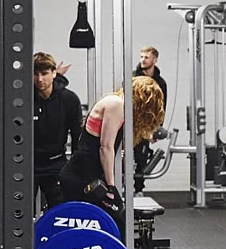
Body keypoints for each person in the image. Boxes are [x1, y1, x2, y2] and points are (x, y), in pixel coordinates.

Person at [63, 76, 164, 229]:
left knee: (112, 223)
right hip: (81, 176)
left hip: (88, 173)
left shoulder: (118, 103)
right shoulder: (117, 104)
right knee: (118, 222)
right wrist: (111, 187)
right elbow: (105, 147)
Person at [33, 53, 82, 208]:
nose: (40, 79)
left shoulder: (69, 100)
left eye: (44, 74)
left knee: (60, 211)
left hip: (55, 163)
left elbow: (77, 136)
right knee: (20, 214)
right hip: (27, 164)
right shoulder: (23, 99)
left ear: (54, 73)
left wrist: (76, 169)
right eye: (35, 74)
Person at [130, 47, 168, 192]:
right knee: (123, 157)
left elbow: (161, 107)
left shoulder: (160, 82)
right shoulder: (133, 78)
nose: (143, 60)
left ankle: (139, 190)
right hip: (131, 124)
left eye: (146, 57)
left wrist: (156, 129)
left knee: (141, 158)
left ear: (155, 60)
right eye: (141, 57)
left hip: (146, 126)